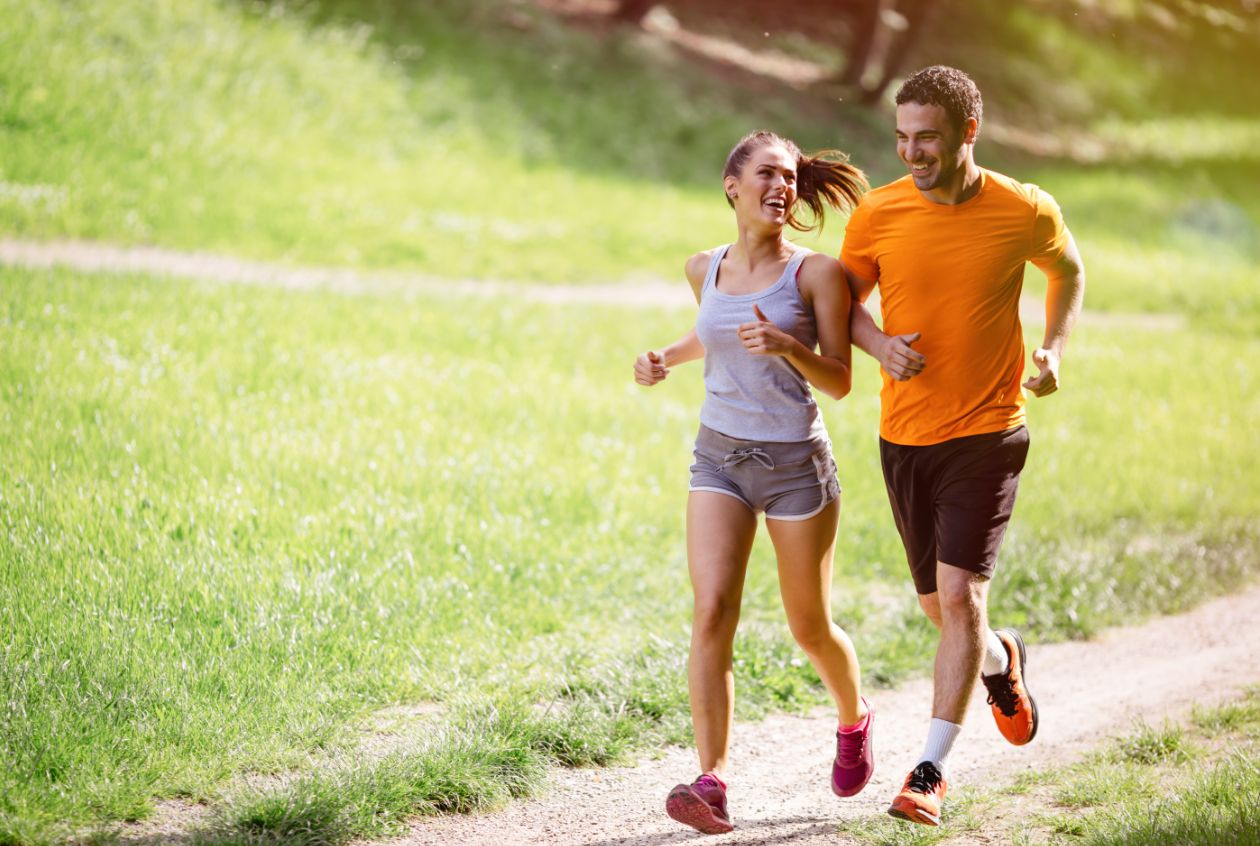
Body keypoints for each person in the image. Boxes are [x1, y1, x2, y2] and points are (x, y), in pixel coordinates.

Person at [838, 65, 1086, 826]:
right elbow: (841, 305)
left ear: (967, 132)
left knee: (958, 596)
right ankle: (1000, 663)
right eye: (903, 138)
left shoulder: (1022, 207)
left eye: (929, 139)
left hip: (989, 430)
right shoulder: (879, 213)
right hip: (904, 434)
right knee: (937, 609)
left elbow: (1067, 271)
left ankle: (929, 771)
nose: (913, 153)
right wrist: (879, 343)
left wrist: (1053, 351)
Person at [635, 130, 873, 835]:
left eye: (792, 177)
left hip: (798, 467)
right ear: (731, 184)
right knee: (711, 612)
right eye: (768, 173)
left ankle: (854, 718)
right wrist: (665, 358)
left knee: (810, 627)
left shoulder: (816, 275)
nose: (783, 186)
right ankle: (712, 781)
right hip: (720, 458)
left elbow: (840, 380)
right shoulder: (701, 267)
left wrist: (790, 347)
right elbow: (714, 332)